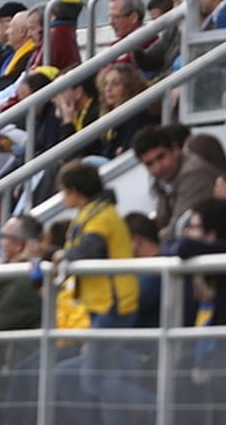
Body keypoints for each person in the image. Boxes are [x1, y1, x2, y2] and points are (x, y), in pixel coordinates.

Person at [53, 161, 144, 425]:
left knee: (94, 378)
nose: (61, 197)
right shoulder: (92, 212)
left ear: (75, 191)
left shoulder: (102, 216)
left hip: (112, 306)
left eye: (63, 191)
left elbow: (89, 248)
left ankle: (160, 409)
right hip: (101, 305)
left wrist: (63, 254)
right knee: (104, 377)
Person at [132, 125, 223, 241]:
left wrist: (145, 243)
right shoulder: (165, 178)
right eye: (149, 164)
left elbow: (178, 228)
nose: (157, 167)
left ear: (175, 149)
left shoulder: (194, 173)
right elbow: (161, 220)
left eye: (161, 157)